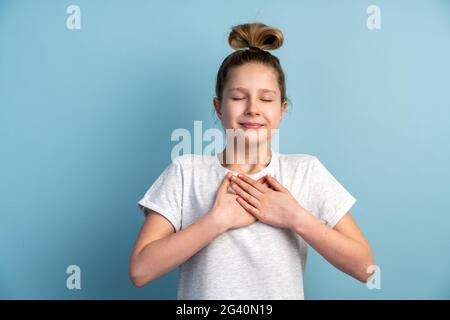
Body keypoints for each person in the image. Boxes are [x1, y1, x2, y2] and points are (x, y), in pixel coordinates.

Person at [129, 22, 375, 299]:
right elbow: (141, 270)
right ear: (218, 107)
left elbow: (366, 269)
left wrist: (296, 217)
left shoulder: (306, 172)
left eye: (266, 99)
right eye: (237, 97)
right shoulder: (186, 172)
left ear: (282, 110)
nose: (253, 109)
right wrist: (217, 221)